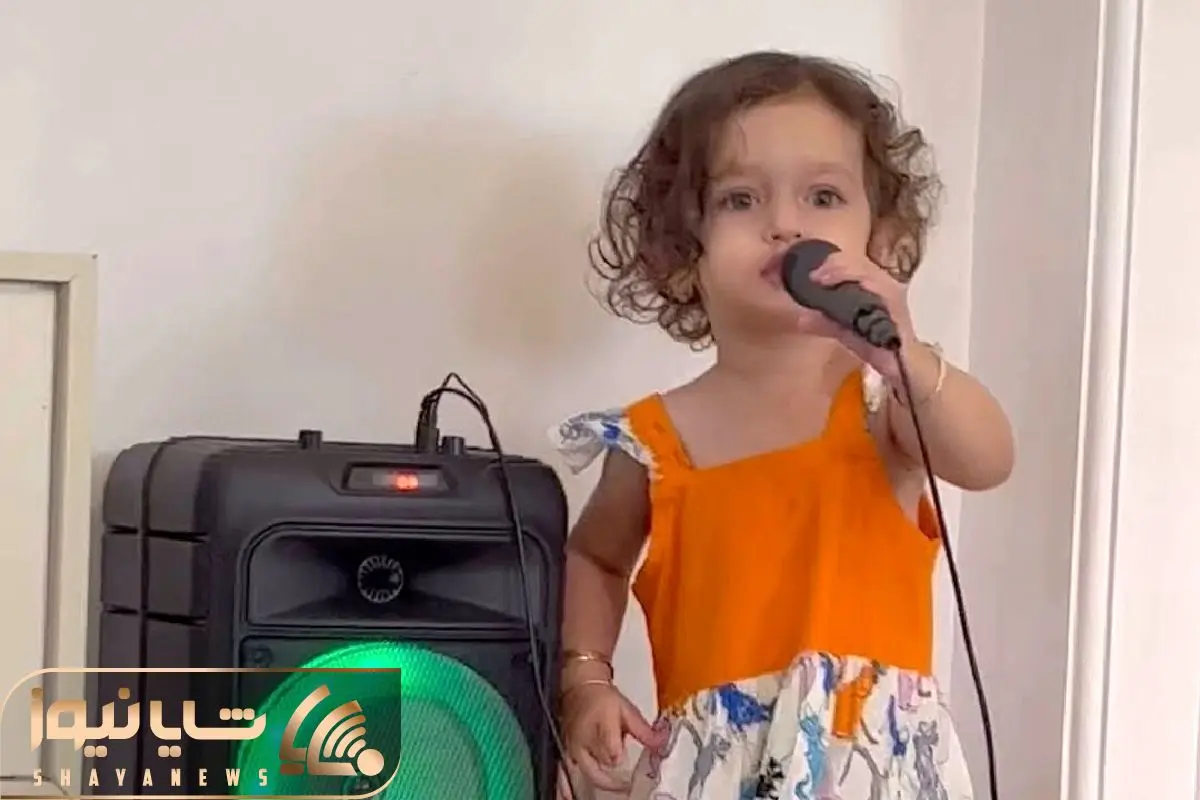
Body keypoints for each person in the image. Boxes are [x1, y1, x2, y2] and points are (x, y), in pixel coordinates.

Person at [548, 51, 1014, 799]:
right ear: (681, 250)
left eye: (823, 195)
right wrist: (585, 680)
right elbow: (596, 559)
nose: (785, 224)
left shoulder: (886, 403)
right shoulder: (651, 440)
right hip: (709, 772)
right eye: (740, 199)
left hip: (875, 769)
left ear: (881, 238)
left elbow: (988, 459)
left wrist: (909, 358)